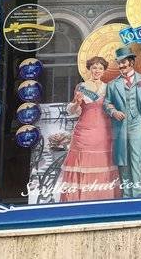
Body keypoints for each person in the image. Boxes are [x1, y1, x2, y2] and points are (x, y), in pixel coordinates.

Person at [59, 56, 121, 202]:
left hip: (104, 133)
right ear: (89, 69)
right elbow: (73, 111)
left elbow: (114, 109)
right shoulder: (81, 87)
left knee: (104, 164)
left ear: (104, 71)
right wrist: (77, 102)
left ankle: (103, 201)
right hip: (84, 133)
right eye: (94, 68)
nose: (97, 71)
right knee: (82, 164)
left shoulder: (108, 88)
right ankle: (80, 201)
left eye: (100, 68)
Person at [103, 46, 141, 198]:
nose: (121, 66)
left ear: (131, 62)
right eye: (119, 63)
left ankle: (138, 196)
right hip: (120, 127)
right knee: (123, 161)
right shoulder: (112, 84)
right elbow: (107, 103)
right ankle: (126, 196)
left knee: (136, 160)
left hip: (139, 124)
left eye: (124, 62)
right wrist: (114, 112)